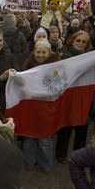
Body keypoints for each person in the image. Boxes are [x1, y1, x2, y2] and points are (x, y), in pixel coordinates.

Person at [21, 40, 60, 172]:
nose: (41, 55)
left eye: (44, 52)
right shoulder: (27, 65)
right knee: (29, 136)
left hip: (47, 108)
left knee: (45, 138)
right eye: (38, 52)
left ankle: (45, 163)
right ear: (34, 52)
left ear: (49, 53)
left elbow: (58, 86)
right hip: (30, 107)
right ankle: (29, 161)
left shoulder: (56, 67)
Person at [55, 30, 93, 163]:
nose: (81, 43)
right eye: (78, 40)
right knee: (66, 126)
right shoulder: (64, 55)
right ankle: (61, 154)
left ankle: (78, 155)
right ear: (72, 40)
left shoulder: (91, 57)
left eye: (84, 42)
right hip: (68, 96)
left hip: (83, 97)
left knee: (82, 128)